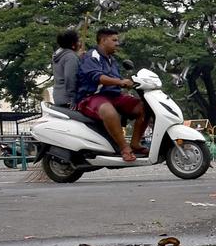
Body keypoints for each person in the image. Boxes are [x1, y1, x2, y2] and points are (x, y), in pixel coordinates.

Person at [76, 28, 146, 162]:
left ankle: (135, 144)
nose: (117, 43)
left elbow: (118, 82)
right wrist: (120, 82)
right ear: (103, 40)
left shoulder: (111, 60)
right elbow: (97, 77)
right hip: (92, 97)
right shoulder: (92, 56)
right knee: (109, 111)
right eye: (114, 40)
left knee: (144, 107)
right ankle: (124, 148)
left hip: (113, 96)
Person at [51, 29, 83, 108]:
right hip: (67, 99)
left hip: (58, 96)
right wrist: (73, 98)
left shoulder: (58, 54)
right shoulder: (71, 57)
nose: (80, 44)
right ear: (73, 44)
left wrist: (77, 57)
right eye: (78, 41)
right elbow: (70, 78)